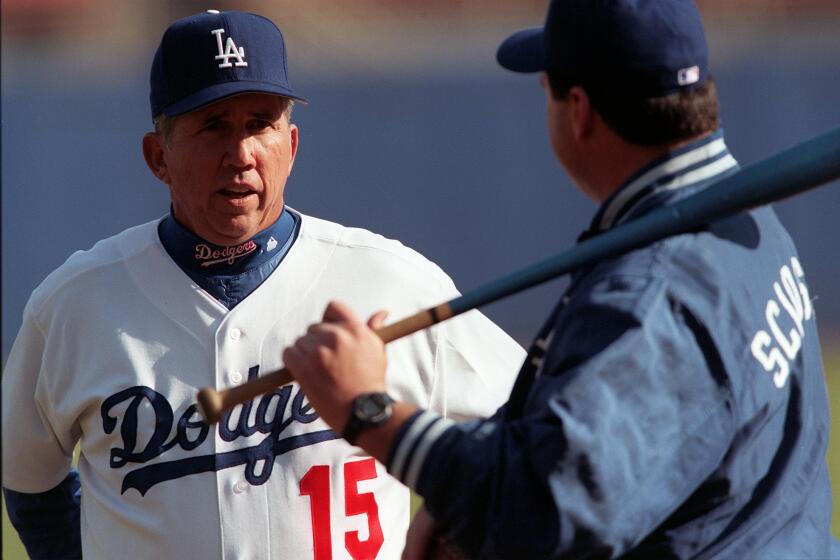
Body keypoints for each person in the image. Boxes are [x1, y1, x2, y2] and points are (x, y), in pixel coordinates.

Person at [282, 1, 839, 558]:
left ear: (579, 110)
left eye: (545, 87)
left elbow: (543, 510)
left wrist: (370, 412)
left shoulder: (651, 290)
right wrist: (460, 502)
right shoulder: (746, 221)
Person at [1, 10, 525, 560]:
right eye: (213, 126)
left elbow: (529, 434)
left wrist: (450, 527)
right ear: (159, 157)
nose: (242, 154)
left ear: (291, 145)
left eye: (260, 123)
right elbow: (31, 482)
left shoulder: (390, 279)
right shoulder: (75, 303)